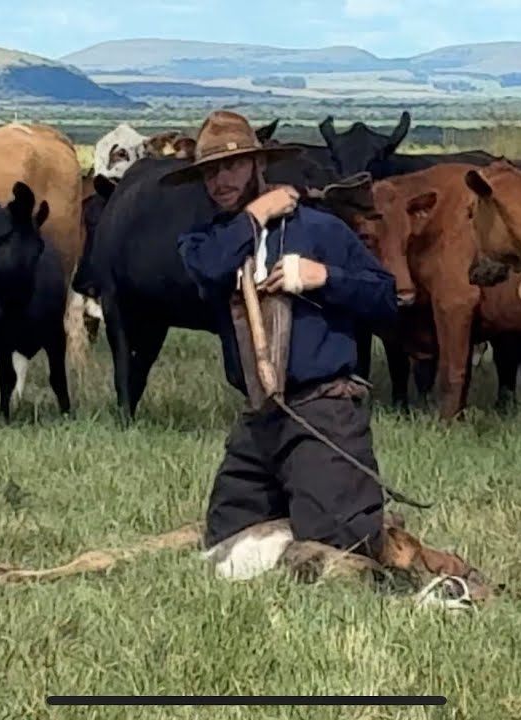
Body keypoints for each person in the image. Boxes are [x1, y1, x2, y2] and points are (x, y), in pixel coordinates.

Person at [162, 109, 399, 562]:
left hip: (323, 408)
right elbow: (210, 268)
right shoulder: (204, 242)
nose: (220, 180)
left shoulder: (320, 230)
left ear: (257, 165)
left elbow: (385, 299)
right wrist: (257, 213)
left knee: (339, 547)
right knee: (226, 548)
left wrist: (322, 276)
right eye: (210, 172)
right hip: (258, 420)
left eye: (232, 166)